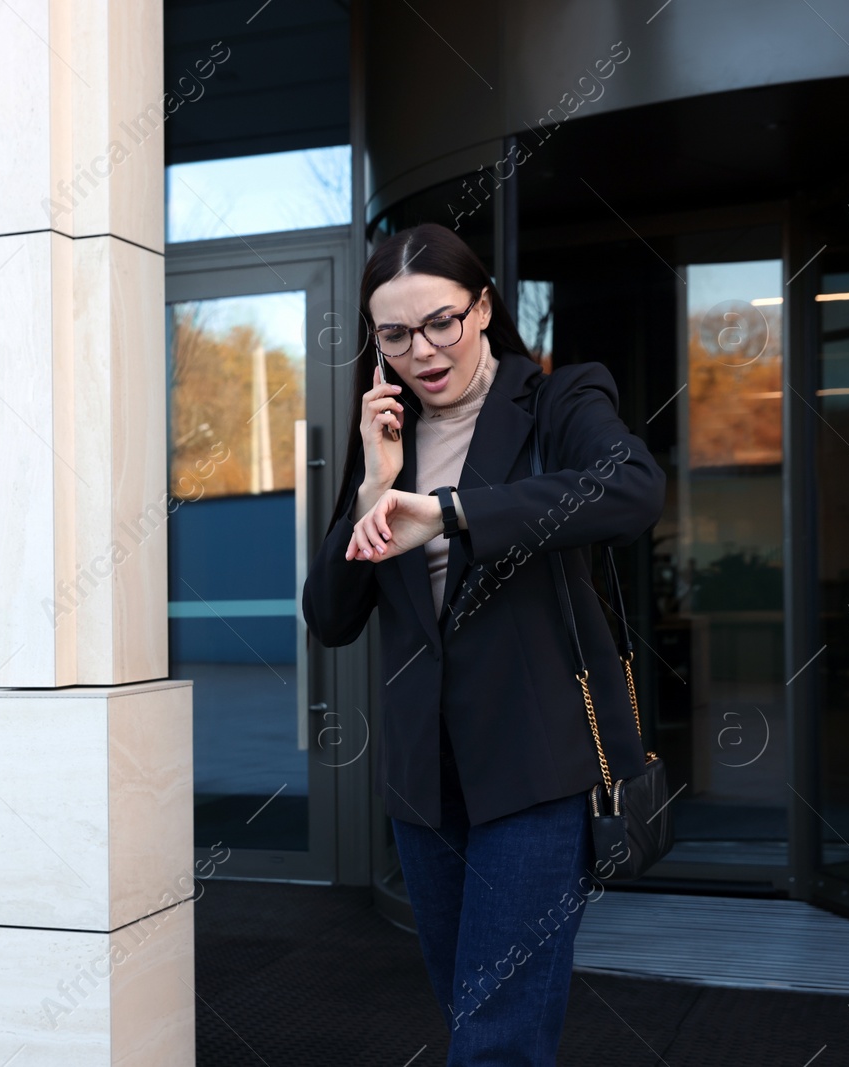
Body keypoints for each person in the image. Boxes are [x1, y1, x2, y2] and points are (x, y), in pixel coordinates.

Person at [301, 222, 666, 1065]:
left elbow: (632, 489)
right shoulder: (389, 442)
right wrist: (375, 485)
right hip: (425, 785)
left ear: (484, 308)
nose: (421, 351)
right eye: (394, 334)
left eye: (441, 322)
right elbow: (330, 614)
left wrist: (452, 513)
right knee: (473, 1019)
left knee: (495, 1039)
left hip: (535, 775)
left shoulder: (557, 401)